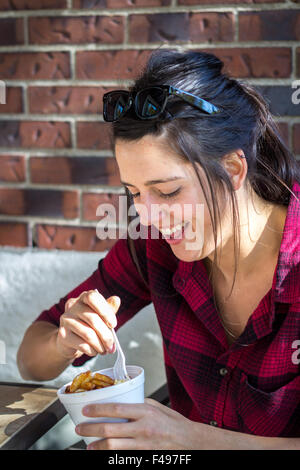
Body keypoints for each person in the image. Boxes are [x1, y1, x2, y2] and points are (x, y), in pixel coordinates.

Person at [17, 49, 300, 450]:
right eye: (134, 193)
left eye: (168, 191)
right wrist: (65, 339)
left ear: (234, 170)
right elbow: (30, 359)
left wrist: (190, 440)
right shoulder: (152, 250)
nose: (148, 217)